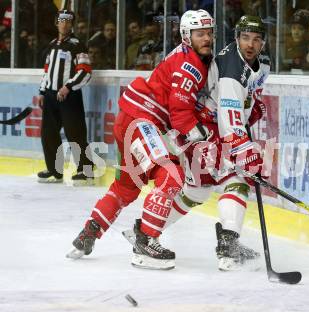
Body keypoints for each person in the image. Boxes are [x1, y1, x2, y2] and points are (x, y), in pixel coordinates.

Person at [67, 9, 216, 271]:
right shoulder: (190, 65)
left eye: (210, 33)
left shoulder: (187, 56)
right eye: (200, 33)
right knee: (172, 175)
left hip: (132, 119)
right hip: (142, 121)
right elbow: (180, 114)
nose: (207, 38)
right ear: (186, 35)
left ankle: (90, 231)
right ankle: (146, 241)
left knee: (127, 187)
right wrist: (200, 133)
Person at [161, 15, 271, 271]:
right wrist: (245, 151)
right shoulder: (232, 69)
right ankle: (228, 246)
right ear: (236, 38)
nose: (250, 44)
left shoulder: (263, 61)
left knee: (196, 191)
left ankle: (147, 229)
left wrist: (251, 107)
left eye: (256, 39)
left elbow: (248, 96)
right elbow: (229, 119)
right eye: (245, 38)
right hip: (203, 129)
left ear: (263, 43)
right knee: (235, 179)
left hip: (212, 128)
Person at [36, 10, 93, 185]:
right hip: (51, 96)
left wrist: (68, 87)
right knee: (48, 134)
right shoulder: (52, 45)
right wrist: (42, 91)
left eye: (68, 21)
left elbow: (85, 71)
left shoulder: (77, 45)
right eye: (62, 20)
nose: (65, 24)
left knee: (76, 134)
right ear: (56, 23)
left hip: (70, 96)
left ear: (72, 24)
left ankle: (87, 172)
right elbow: (47, 71)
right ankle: (55, 171)